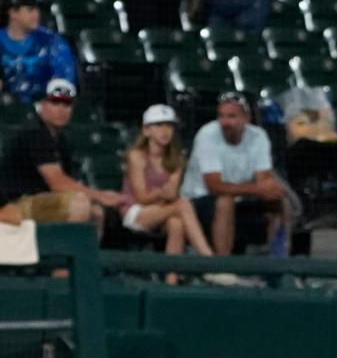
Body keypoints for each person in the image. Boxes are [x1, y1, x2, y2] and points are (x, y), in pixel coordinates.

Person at [118, 104, 227, 285]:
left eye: (169, 126)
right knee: (183, 205)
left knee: (176, 223)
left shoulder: (176, 160)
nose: (165, 131)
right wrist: (161, 193)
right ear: (147, 131)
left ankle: (171, 280)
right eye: (159, 126)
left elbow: (172, 194)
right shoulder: (136, 156)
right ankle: (209, 263)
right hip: (136, 211)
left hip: (164, 210)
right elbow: (142, 197)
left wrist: (163, 195)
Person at [0, 78, 121, 232]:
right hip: (14, 205)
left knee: (96, 212)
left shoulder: (61, 140)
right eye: (55, 103)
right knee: (78, 204)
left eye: (67, 104)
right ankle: (56, 254)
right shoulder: (35, 134)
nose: (61, 109)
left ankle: (83, 256)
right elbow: (58, 184)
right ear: (43, 105)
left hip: (41, 200)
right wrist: (100, 195)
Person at [180, 92, 289, 257]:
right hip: (198, 200)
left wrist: (268, 189)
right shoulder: (207, 135)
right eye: (221, 116)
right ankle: (223, 267)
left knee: (278, 199)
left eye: (231, 116)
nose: (225, 122)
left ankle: (278, 261)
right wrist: (257, 189)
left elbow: (263, 180)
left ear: (246, 118)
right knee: (225, 201)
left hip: (240, 196)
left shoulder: (258, 136)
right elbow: (214, 186)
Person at [1, 0, 77, 105]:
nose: (36, 14)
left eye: (37, 9)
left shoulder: (51, 41)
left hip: (45, 105)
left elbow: (65, 79)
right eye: (30, 10)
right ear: (13, 13)